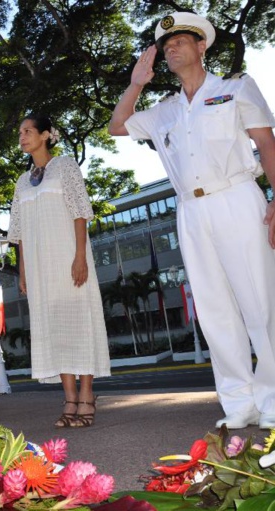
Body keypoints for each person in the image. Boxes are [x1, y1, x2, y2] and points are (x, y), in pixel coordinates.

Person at [108, 12, 275, 430]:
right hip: (191, 211)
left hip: (236, 197)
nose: (171, 49)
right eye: (166, 46)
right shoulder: (164, 111)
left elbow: (266, 144)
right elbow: (116, 127)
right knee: (215, 310)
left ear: (202, 47)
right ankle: (239, 403)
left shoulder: (235, 88)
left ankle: (272, 400)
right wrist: (135, 84)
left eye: (180, 41)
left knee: (261, 303)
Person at [7, 114, 111, 428]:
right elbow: (20, 233)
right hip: (39, 269)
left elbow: (80, 213)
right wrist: (23, 273)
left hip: (68, 257)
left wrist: (80, 256)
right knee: (55, 328)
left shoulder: (65, 166)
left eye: (28, 131)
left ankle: (87, 397)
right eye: (20, 132)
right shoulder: (22, 181)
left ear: (46, 135)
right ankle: (68, 399)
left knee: (80, 323)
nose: (22, 136)